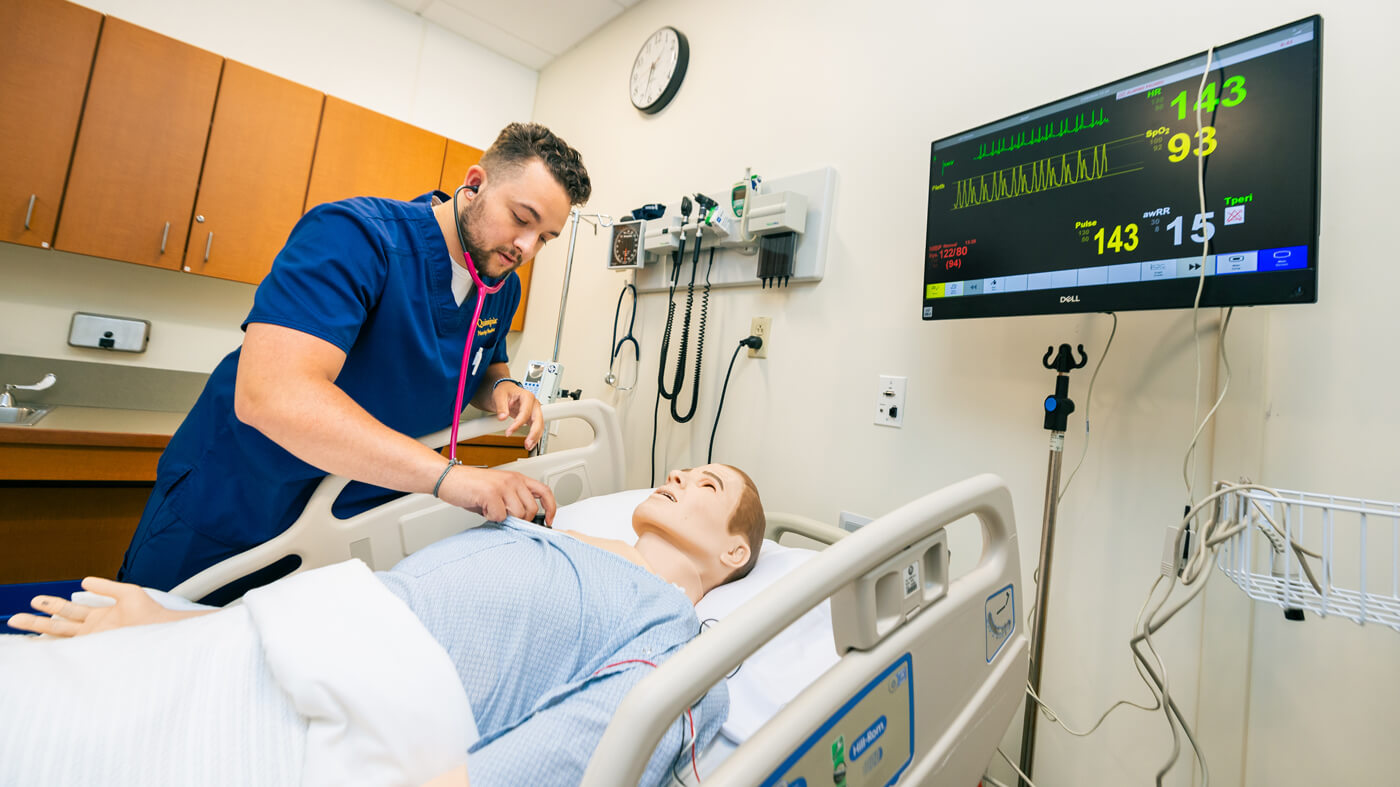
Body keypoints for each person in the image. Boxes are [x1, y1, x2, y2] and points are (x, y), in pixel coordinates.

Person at [8, 464, 767, 787]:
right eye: (684, 468)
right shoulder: (560, 537)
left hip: (348, 710)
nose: (678, 476)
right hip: (284, 641)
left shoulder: (681, 637)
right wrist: (179, 621)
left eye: (708, 484)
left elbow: (586, 742)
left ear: (735, 550)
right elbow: (385, 603)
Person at [117, 122, 592, 596]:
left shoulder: (499, 285)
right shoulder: (355, 238)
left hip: (353, 519)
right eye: (521, 218)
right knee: (154, 645)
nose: (527, 248)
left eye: (545, 238)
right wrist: (447, 477)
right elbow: (272, 394)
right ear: (475, 183)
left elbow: (482, 366)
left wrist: (503, 389)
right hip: (239, 502)